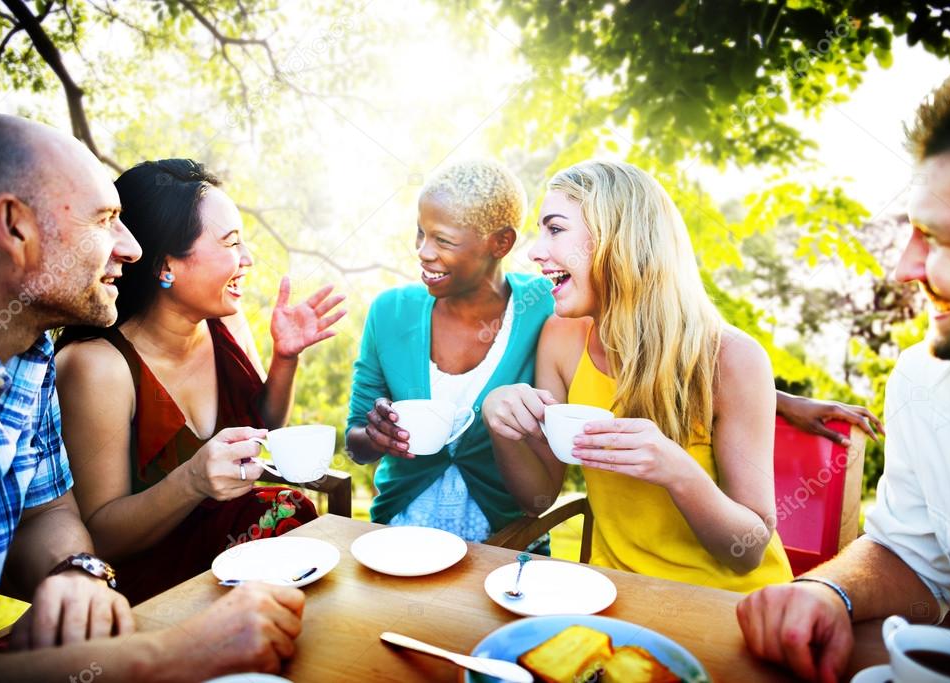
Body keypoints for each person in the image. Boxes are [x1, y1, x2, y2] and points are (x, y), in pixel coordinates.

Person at [0, 113, 303, 680]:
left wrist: (77, 573)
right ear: (14, 226)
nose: (130, 249)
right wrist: (170, 655)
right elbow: (104, 525)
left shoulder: (30, 365)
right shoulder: (90, 365)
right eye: (104, 221)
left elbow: (48, 514)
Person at [736, 52, 950, 682]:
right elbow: (910, 553)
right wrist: (828, 593)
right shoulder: (925, 380)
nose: (904, 268)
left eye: (943, 238)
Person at [483, 160, 795, 590]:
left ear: (619, 239)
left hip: (727, 607)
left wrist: (676, 471)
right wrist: (501, 423)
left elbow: (749, 551)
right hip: (611, 595)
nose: (535, 251)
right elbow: (538, 499)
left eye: (555, 230)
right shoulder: (562, 337)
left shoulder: (732, 359)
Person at [55, 159, 345, 604]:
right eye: (231, 243)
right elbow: (100, 535)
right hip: (149, 588)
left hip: (233, 558)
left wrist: (286, 358)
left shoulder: (225, 324)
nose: (247, 260)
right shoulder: (98, 367)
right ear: (165, 265)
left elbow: (262, 422)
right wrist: (190, 481)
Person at [346, 159, 555, 543]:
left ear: (501, 243)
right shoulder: (390, 313)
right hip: (400, 537)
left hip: (506, 543)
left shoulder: (545, 307)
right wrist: (376, 436)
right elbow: (355, 444)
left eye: (442, 240)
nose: (424, 252)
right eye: (420, 234)